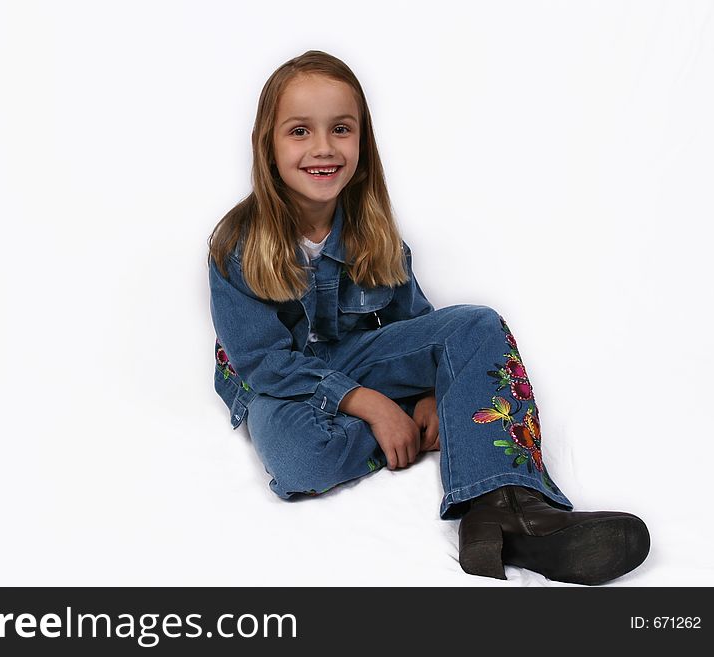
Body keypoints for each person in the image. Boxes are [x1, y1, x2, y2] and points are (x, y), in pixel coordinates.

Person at [206, 50, 649, 585]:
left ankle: (505, 509)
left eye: (341, 129)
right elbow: (263, 363)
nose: (322, 148)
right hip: (279, 385)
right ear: (268, 145)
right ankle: (445, 431)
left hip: (355, 358)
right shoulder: (235, 245)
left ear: (362, 144)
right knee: (302, 460)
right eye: (299, 131)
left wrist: (435, 393)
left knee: (474, 326)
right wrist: (373, 406)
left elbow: (417, 329)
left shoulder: (374, 233)